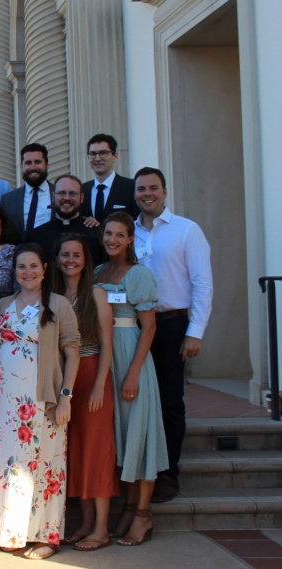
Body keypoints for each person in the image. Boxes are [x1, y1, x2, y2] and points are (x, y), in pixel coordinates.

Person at [0, 244, 80, 560]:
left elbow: (72, 351)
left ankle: (46, 536)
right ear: (14, 272)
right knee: (8, 466)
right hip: (4, 401)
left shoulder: (58, 304)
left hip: (44, 399)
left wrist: (66, 396)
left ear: (44, 269)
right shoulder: (1, 305)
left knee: (46, 467)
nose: (28, 272)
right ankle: (8, 531)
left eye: (33, 266)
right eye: (21, 267)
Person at [132, 167, 212, 504]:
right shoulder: (128, 231)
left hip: (171, 324)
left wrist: (195, 332)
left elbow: (202, 283)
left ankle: (168, 474)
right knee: (137, 398)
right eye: (141, 189)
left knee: (169, 400)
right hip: (133, 326)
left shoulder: (186, 230)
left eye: (153, 188)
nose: (147, 194)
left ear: (165, 191)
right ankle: (139, 469)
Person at [95, 211, 168, 547]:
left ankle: (142, 514)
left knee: (139, 433)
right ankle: (127, 508)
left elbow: (149, 326)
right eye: (108, 233)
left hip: (131, 360)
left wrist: (133, 373)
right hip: (106, 359)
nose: (112, 239)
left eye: (119, 235)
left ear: (130, 240)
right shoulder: (98, 272)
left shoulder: (138, 274)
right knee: (120, 437)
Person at [51, 234, 120, 551]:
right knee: (76, 452)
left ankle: (102, 529)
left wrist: (99, 387)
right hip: (64, 378)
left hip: (92, 374)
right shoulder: (51, 295)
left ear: (85, 259)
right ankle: (87, 524)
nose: (70, 260)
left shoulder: (97, 293)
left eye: (76, 255)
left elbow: (107, 345)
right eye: (65, 254)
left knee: (96, 451)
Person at [27, 175, 104, 264]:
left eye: (73, 193)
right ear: (53, 196)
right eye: (62, 193)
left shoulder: (97, 233)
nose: (67, 198)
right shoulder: (36, 236)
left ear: (82, 198)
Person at [81, 134, 140, 223]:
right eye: (93, 154)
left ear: (115, 156)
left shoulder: (131, 187)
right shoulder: (81, 190)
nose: (97, 158)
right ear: (88, 157)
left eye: (103, 153)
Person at [1, 143, 53, 240]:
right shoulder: (7, 200)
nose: (33, 167)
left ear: (47, 165)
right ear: (22, 166)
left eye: (38, 162)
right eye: (28, 163)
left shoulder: (60, 194)